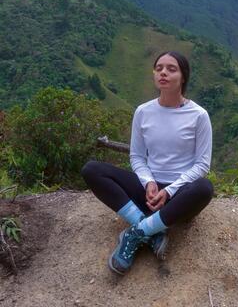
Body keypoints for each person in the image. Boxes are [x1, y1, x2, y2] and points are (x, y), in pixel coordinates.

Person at [81, 50, 214, 275]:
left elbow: (202, 164)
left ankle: (137, 232)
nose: (163, 72)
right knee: (92, 169)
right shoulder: (143, 111)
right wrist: (148, 182)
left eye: (171, 69)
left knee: (204, 187)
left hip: (179, 197)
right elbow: (137, 157)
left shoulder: (198, 115)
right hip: (147, 193)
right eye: (159, 67)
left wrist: (170, 191)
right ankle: (150, 226)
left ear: (183, 77)